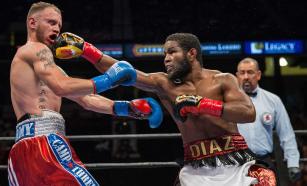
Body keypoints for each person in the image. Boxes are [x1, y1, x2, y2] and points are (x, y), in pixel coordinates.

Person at [53, 32, 277, 185]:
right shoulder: (164, 83)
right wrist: (86, 49)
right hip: (197, 170)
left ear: (191, 54)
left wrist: (202, 104)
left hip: (235, 163)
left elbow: (248, 113)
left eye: (172, 53)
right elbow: (124, 72)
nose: (166, 59)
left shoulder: (223, 79)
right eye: (165, 54)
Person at [8, 2, 163, 186]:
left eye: (58, 24)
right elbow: (61, 86)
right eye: (51, 22)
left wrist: (127, 107)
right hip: (44, 145)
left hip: (22, 152)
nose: (57, 29)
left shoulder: (46, 67)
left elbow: (87, 99)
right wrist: (111, 78)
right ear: (32, 23)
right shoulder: (36, 49)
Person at [236, 57, 301, 182]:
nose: (246, 77)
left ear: (258, 75)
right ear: (237, 76)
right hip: (236, 164)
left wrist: (293, 163)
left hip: (263, 162)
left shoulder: (273, 100)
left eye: (250, 72)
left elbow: (286, 134)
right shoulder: (228, 101)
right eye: (242, 73)